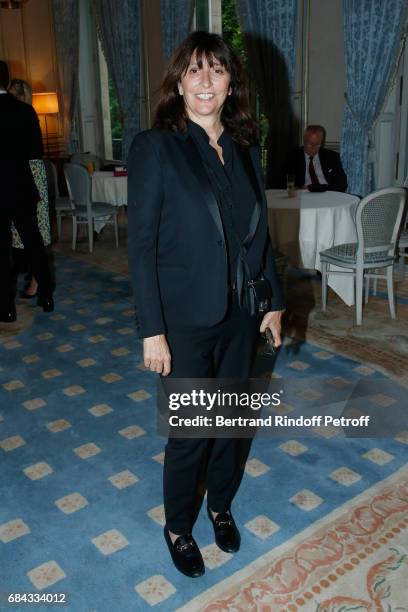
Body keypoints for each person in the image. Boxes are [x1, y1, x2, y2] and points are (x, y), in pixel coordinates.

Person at [127, 31, 285, 578]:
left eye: (216, 71)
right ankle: (177, 526)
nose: (204, 82)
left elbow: (258, 235)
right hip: (184, 320)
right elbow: (142, 245)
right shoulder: (156, 147)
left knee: (232, 424)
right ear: (178, 81)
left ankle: (219, 506)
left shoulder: (244, 148)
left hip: (241, 315)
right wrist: (152, 330)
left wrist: (273, 300)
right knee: (191, 430)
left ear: (229, 83)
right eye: (193, 70)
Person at [0, 60, 54, 322]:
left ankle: (6, 308)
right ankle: (46, 295)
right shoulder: (24, 110)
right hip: (21, 186)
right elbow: (36, 152)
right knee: (33, 244)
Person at [8, 78, 52, 300]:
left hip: (30, 175)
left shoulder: (25, 113)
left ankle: (37, 281)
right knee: (28, 235)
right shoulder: (25, 113)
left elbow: (34, 149)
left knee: (33, 234)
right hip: (28, 174)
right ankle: (35, 279)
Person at [285, 124, 348, 192]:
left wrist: (312, 188)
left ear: (322, 142)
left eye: (317, 144)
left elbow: (342, 184)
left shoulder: (332, 157)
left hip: (327, 194)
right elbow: (283, 184)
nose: (313, 148)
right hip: (303, 196)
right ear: (304, 140)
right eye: (310, 144)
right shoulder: (292, 157)